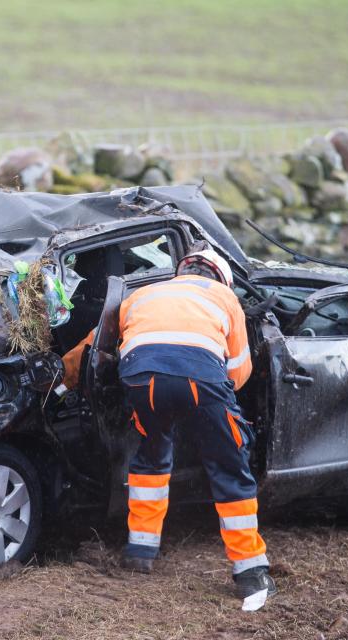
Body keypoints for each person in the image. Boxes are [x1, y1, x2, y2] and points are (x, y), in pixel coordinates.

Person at [61, 243, 275, 603]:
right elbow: (239, 371)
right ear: (220, 276)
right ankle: (250, 573)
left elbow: (92, 345)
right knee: (229, 467)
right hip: (199, 383)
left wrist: (62, 381)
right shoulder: (224, 297)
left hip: (141, 380)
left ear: (182, 270)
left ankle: (140, 552)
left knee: (151, 453)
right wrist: (208, 407)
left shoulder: (145, 293)